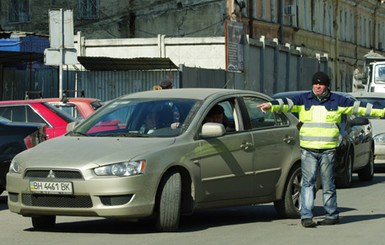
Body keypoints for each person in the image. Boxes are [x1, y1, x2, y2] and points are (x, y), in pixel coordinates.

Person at [257, 71, 385, 228]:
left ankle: (332, 215)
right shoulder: (303, 99)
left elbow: (361, 108)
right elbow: (286, 103)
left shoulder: (338, 101)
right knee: (308, 183)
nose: (317, 86)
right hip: (308, 149)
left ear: (327, 86)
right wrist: (270, 106)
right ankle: (306, 216)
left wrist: (383, 111)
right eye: (315, 83)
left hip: (328, 150)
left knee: (328, 183)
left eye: (321, 84)